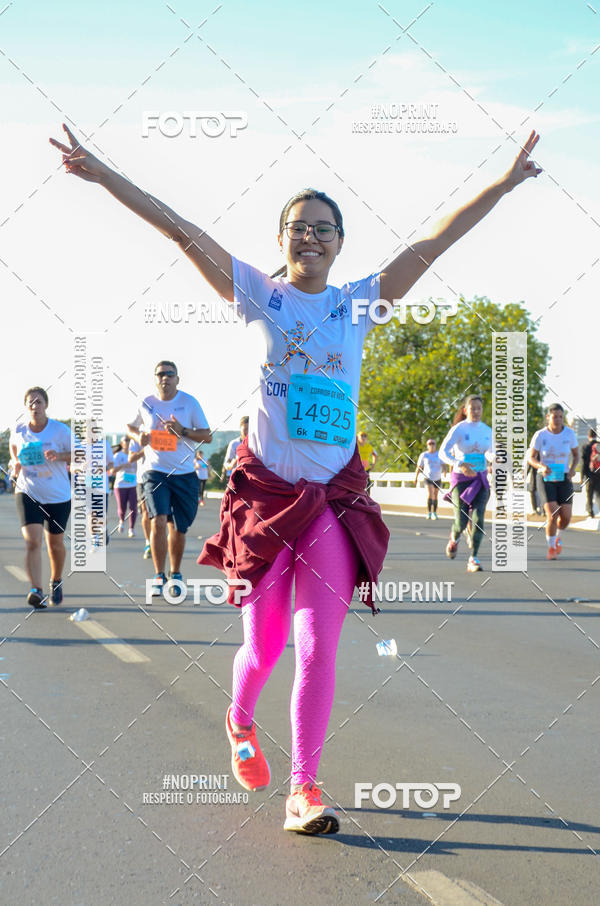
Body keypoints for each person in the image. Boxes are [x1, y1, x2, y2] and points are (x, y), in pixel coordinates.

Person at [51, 120, 542, 834]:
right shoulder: (256, 294)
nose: (309, 237)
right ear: (282, 239)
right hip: (265, 500)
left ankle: (304, 788)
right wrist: (103, 175)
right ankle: (239, 716)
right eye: (297, 228)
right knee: (265, 646)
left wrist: (502, 182)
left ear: (340, 241)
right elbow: (180, 229)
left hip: (333, 502)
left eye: (323, 228)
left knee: (317, 645)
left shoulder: (359, 304)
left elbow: (434, 242)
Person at [125, 362, 212, 597]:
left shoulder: (189, 403)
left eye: (169, 374)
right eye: (160, 374)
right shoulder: (147, 403)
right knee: (158, 520)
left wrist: (182, 431)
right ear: (155, 379)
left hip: (184, 474)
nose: (165, 378)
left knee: (178, 528)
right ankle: (158, 575)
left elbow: (207, 436)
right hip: (155, 472)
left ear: (177, 379)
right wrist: (140, 435)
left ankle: (175, 573)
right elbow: (130, 427)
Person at [9, 387, 72, 608]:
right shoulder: (18, 430)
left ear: (46, 405)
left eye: (39, 402)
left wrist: (60, 456)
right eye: (31, 403)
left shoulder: (60, 431)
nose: (35, 406)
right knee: (32, 542)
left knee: (55, 544)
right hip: (28, 491)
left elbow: (81, 455)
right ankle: (36, 590)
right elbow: (13, 453)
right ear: (26, 407)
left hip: (58, 495)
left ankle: (56, 580)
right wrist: (14, 464)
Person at [439, 395, 493, 572]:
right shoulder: (459, 429)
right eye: (473, 408)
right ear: (465, 410)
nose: (476, 411)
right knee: (461, 522)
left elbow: (490, 452)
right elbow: (443, 452)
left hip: (480, 478)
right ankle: (454, 538)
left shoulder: (487, 430)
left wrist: (495, 457)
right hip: (461, 479)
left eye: (479, 408)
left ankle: (473, 558)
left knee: (478, 520)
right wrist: (460, 464)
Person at [527, 404, 579, 560]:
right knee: (553, 514)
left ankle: (558, 537)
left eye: (560, 417)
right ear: (548, 417)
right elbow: (531, 457)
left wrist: (572, 469)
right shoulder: (540, 435)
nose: (557, 420)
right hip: (545, 477)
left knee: (566, 517)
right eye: (554, 416)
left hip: (563, 477)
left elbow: (576, 455)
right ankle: (551, 548)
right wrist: (541, 466)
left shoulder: (569, 434)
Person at [128, 438, 152, 557]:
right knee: (146, 512)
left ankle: (157, 540)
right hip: (143, 479)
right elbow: (131, 458)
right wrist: (146, 449)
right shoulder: (137, 438)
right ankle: (149, 542)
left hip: (163, 477)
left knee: (161, 515)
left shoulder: (162, 432)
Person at [111, 435, 138, 536]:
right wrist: (123, 465)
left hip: (132, 484)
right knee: (122, 508)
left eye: (129, 440)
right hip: (120, 485)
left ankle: (131, 528)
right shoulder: (118, 456)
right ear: (122, 443)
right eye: (125, 440)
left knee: (133, 507)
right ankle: (121, 520)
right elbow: (112, 471)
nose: (127, 442)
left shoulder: (134, 455)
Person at [415, 438, 444, 519]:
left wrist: (445, 471)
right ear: (427, 446)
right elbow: (419, 467)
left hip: (437, 477)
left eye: (433, 443)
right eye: (429, 444)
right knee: (430, 493)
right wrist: (416, 477)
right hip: (428, 477)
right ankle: (429, 512)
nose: (431, 445)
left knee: (435, 495)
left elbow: (443, 464)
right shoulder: (424, 455)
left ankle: (434, 512)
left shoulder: (439, 454)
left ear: (435, 445)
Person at [581, 429, 600, 518]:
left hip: (589, 474)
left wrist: (582, 476)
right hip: (599, 473)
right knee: (599, 494)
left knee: (589, 494)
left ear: (588, 436)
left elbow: (583, 463)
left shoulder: (586, 446)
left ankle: (590, 511)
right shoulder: (599, 445)